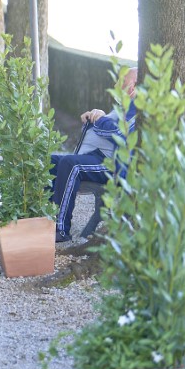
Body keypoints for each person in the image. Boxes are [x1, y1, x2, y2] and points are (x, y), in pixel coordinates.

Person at [53, 68, 139, 242]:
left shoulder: (139, 111)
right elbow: (107, 127)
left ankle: (60, 229)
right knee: (50, 162)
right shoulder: (124, 107)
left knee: (72, 165)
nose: (117, 85)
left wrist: (100, 119)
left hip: (115, 165)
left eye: (122, 81)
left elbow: (122, 136)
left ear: (134, 86)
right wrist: (93, 116)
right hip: (98, 155)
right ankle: (42, 220)